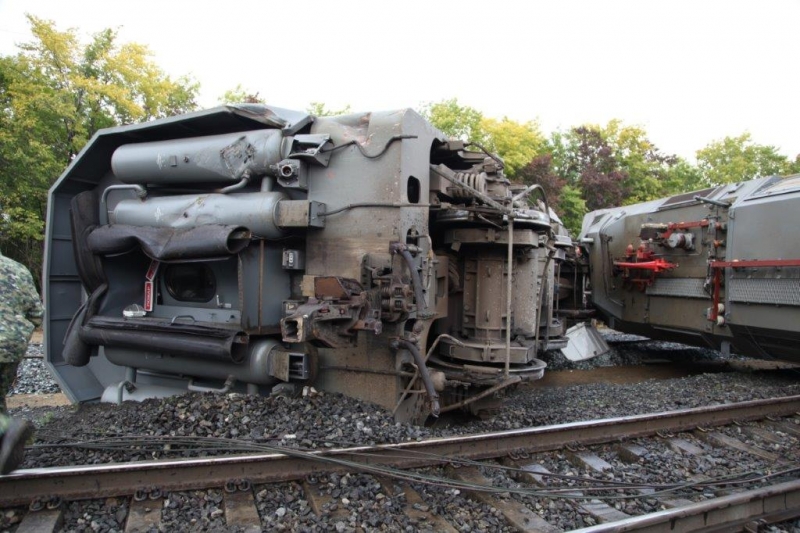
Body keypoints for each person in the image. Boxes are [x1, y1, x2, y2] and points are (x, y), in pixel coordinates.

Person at [0, 249, 43, 474]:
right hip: (13, 345)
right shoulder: (18, 269)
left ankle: (7, 428)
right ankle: (4, 453)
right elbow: (37, 314)